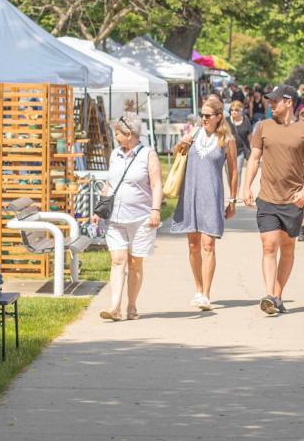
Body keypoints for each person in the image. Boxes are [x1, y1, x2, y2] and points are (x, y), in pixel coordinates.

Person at [238, 85, 304, 316]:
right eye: (269, 101)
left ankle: (277, 295)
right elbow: (253, 159)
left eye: (275, 101)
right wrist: (246, 186)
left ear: (289, 101)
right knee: (269, 244)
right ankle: (270, 294)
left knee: (287, 247)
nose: (270, 104)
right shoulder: (262, 127)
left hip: (293, 199)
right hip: (268, 197)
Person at [164, 95, 239, 311]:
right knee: (193, 244)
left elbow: (233, 171)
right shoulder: (194, 134)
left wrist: (232, 199)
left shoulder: (227, 140)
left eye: (207, 116)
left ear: (218, 117)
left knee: (208, 244)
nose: (203, 119)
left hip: (212, 197)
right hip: (190, 194)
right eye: (201, 115)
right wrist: (181, 143)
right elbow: (177, 155)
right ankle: (197, 289)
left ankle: (206, 293)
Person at [99, 116, 163, 322]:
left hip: (141, 217)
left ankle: (131, 306)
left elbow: (156, 185)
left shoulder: (148, 154)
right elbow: (109, 183)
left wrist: (155, 210)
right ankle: (114, 307)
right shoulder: (114, 154)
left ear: (129, 135)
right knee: (118, 260)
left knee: (135, 263)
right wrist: (99, 210)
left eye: (117, 133)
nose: (115, 136)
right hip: (115, 218)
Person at [228, 98, 256, 170]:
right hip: (228, 152)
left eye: (236, 110)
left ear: (241, 110)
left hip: (240, 151)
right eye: (232, 110)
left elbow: (250, 139)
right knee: (229, 174)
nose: (234, 112)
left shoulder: (246, 121)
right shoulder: (226, 121)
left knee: (238, 172)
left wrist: (253, 154)